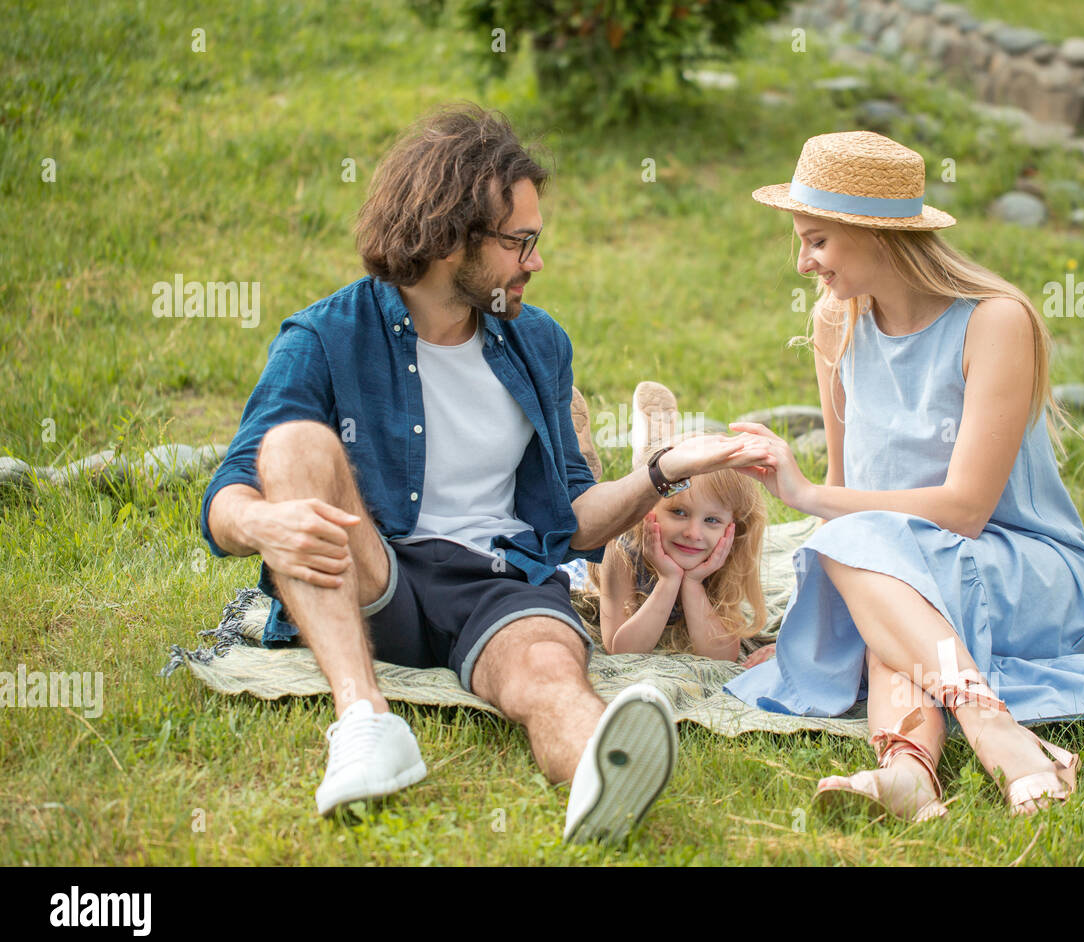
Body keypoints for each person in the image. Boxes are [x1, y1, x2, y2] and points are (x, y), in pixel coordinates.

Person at [198, 103, 769, 842]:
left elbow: (574, 519)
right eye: (518, 242)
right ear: (447, 237)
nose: (535, 261)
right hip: (375, 573)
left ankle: (604, 773)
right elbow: (229, 493)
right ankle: (364, 721)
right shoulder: (326, 335)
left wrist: (665, 471)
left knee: (547, 671)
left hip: (500, 583)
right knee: (290, 448)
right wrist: (262, 520)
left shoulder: (537, 343)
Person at [725, 131, 1084, 822]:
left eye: (816, 240)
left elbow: (966, 511)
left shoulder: (993, 322)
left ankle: (985, 724)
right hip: (900, 571)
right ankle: (909, 771)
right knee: (881, 580)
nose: (802, 262)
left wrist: (806, 493)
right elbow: (851, 497)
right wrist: (804, 631)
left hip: (1027, 572)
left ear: (873, 234)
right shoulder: (835, 323)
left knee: (878, 569)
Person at [588, 419, 768, 661]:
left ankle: (651, 437)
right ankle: (586, 465)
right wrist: (669, 580)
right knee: (582, 517)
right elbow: (620, 649)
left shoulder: (724, 554)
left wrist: (693, 583)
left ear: (730, 526)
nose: (693, 533)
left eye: (712, 520)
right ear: (648, 508)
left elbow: (723, 656)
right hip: (588, 549)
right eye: (679, 513)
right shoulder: (621, 550)